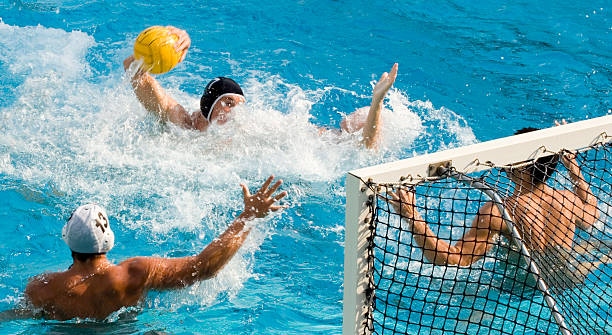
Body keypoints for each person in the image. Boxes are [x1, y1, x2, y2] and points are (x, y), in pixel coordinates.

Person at [24, 177, 287, 321]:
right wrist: (247, 216)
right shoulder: (134, 274)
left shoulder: (41, 288)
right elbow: (205, 267)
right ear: (108, 240)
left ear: (67, 239)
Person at [123, 26, 397, 149]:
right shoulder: (183, 124)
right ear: (209, 108)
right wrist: (170, 39)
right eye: (228, 103)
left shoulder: (260, 133)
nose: (236, 112)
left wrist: (376, 105)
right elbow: (132, 69)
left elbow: (362, 149)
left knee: (347, 130)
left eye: (239, 105)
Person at [387, 127, 599, 270]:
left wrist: (413, 218)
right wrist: (572, 165)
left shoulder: (498, 211)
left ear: (523, 167)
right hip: (568, 277)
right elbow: (592, 216)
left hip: (520, 289)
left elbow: (455, 259)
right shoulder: (568, 200)